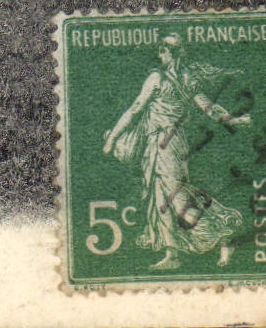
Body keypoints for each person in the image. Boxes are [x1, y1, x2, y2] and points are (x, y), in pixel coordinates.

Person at [103, 33, 248, 270]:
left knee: (176, 198)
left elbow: (136, 108)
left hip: (165, 142)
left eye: (162, 50)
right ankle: (172, 255)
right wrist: (232, 119)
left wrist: (112, 138)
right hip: (165, 142)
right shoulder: (188, 78)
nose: (159, 55)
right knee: (160, 197)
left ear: (170, 53)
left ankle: (223, 233)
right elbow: (209, 108)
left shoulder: (157, 78)